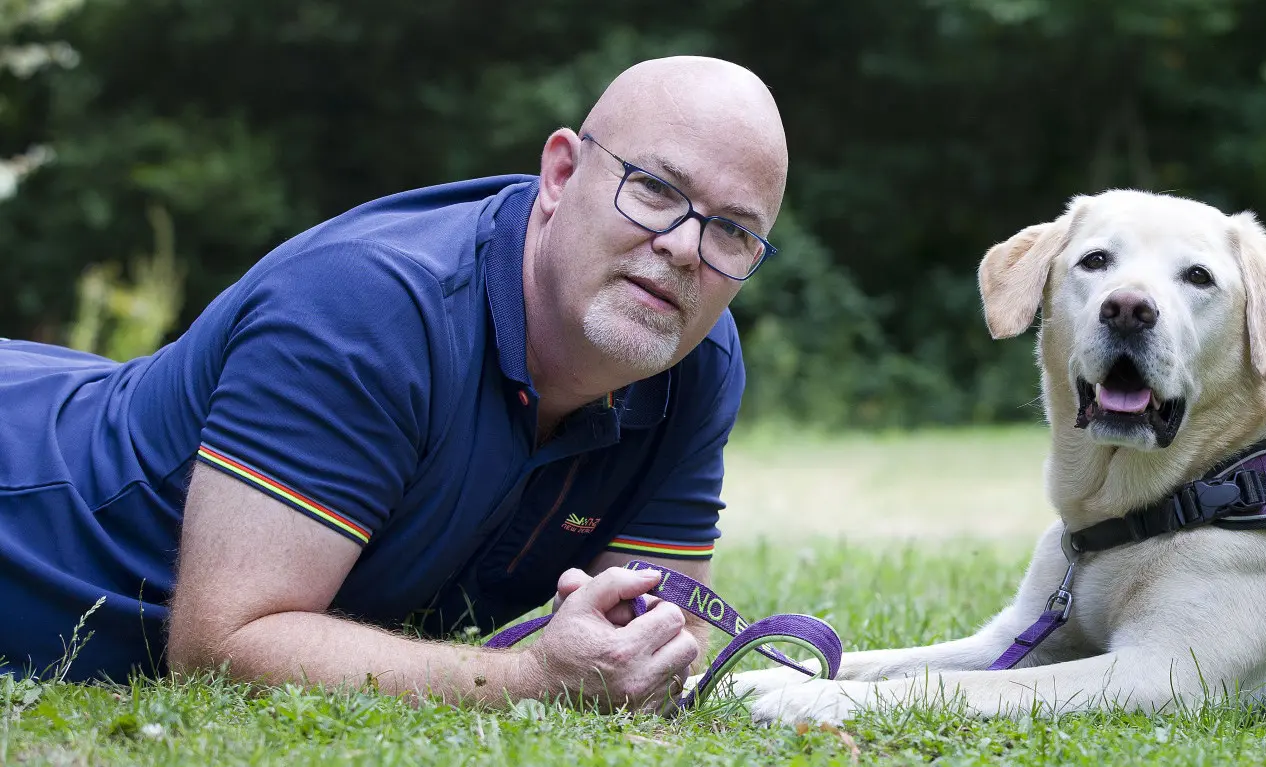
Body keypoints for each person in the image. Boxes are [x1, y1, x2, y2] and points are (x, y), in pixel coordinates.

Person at [0, 55, 788, 712]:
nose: (686, 247)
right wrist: (532, 679)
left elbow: (661, 631)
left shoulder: (694, 359)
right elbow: (221, 646)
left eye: (732, 229)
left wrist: (627, 657)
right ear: (560, 172)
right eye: (654, 188)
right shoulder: (365, 307)